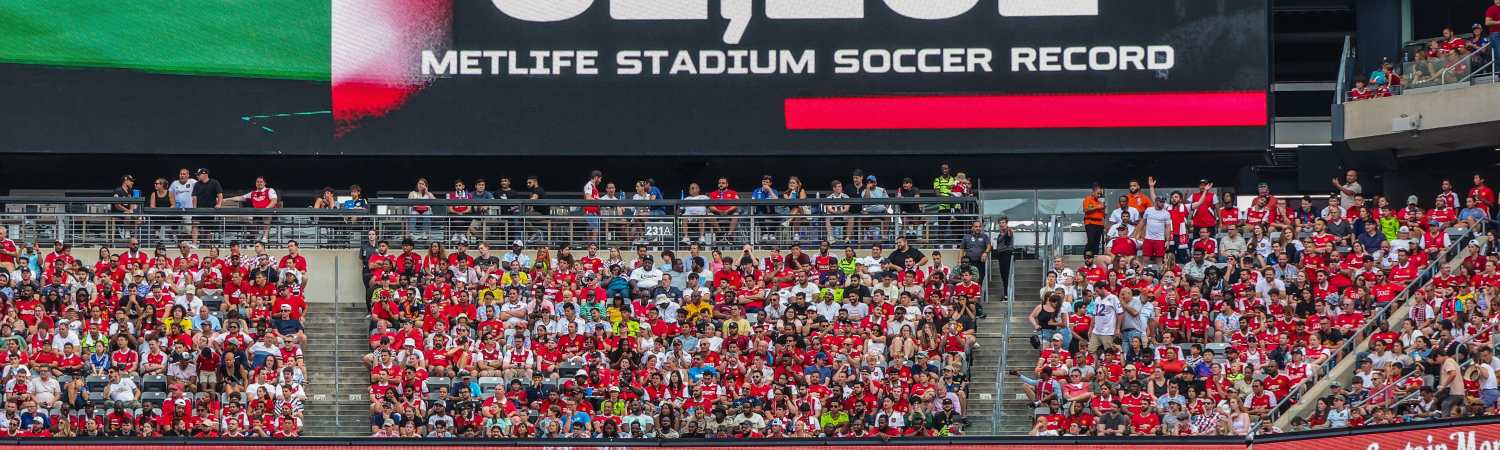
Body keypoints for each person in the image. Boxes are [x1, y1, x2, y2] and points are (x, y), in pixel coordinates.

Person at [189, 168, 223, 245]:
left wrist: (219, 204)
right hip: (198, 209)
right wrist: (194, 209)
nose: (197, 176)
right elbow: (194, 197)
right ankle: (194, 244)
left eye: (199, 175)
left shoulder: (214, 183)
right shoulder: (197, 184)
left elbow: (220, 194)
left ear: (205, 174)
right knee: (195, 224)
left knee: (208, 228)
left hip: (210, 209)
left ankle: (206, 244)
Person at [1083, 184, 1106, 254]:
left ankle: (1095, 256)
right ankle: (1086, 255)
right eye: (1098, 193)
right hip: (1090, 223)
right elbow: (1085, 210)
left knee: (1097, 242)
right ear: (1093, 192)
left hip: (1099, 224)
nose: (1099, 195)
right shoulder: (1087, 199)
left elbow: (1103, 215)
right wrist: (1097, 208)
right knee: (1091, 241)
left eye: (1100, 194)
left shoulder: (1100, 202)